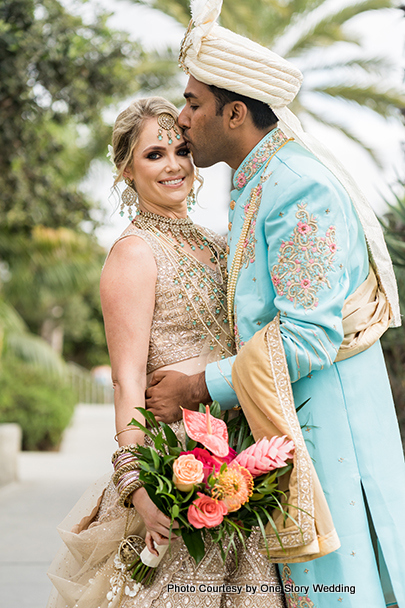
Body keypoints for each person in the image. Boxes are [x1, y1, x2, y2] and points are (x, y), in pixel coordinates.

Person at [145, 2, 405, 608]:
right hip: (291, 416)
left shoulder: (297, 185)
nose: (181, 121)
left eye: (193, 103)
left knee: (342, 589)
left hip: (330, 422)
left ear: (235, 113)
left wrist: (197, 388)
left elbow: (307, 336)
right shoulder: (253, 179)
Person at [46, 96, 286, 608]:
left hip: (240, 459)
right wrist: (137, 484)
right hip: (175, 465)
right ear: (126, 170)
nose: (174, 164)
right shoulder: (134, 252)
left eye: (180, 149)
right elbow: (127, 380)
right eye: (154, 155)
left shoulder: (219, 244)